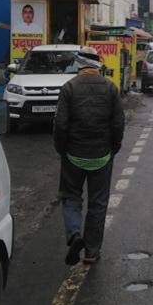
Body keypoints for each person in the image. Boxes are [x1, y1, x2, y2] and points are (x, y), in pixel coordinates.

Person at [53, 49, 125, 266]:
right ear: (97, 66)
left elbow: (60, 124)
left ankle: (75, 234)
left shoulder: (69, 88)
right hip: (102, 156)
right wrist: (114, 147)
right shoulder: (110, 87)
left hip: (73, 155)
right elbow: (118, 123)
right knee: (98, 203)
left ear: (79, 65)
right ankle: (92, 252)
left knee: (71, 196)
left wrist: (61, 149)